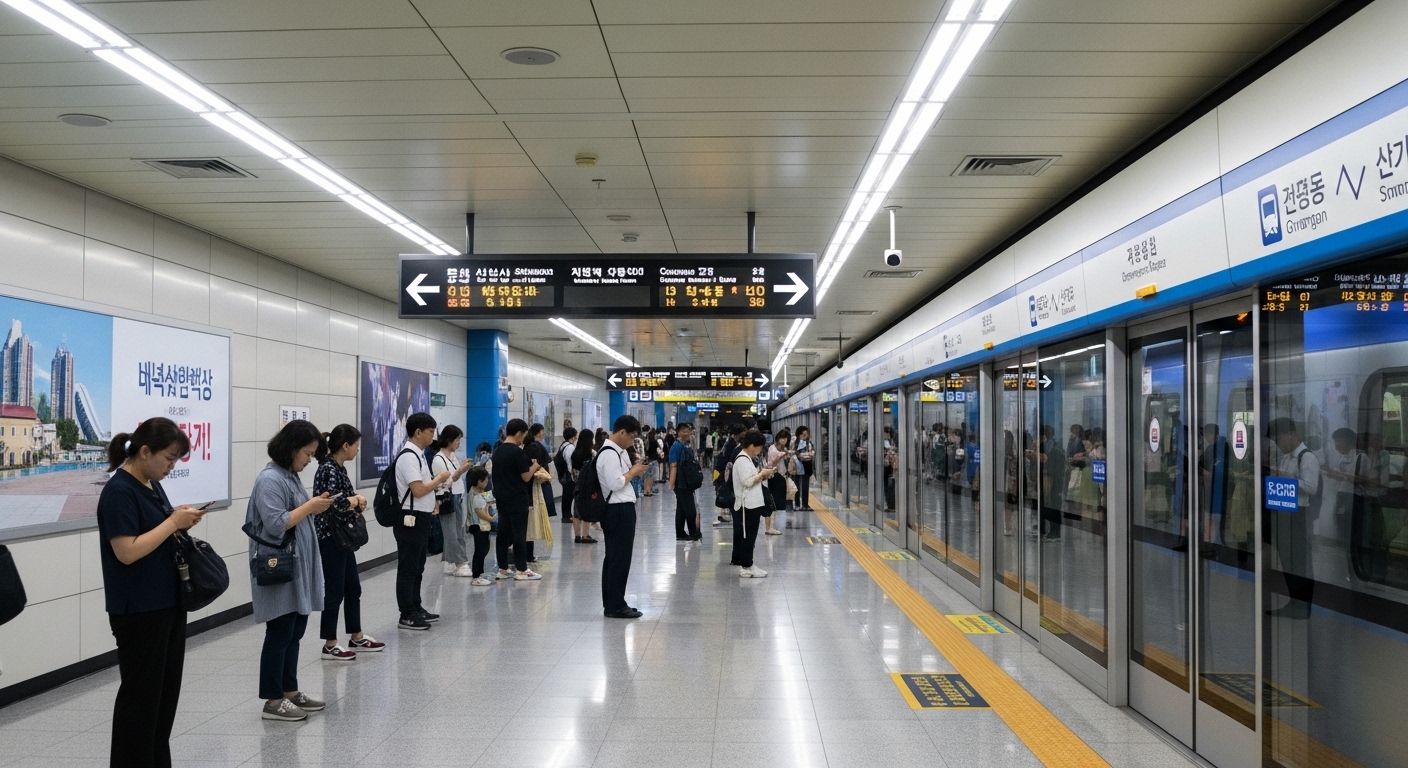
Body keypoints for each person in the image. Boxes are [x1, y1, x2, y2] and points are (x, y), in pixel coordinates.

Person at [97, 417, 199, 766]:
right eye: (168, 459)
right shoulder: (119, 491)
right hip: (139, 611)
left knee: (162, 704)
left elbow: (157, 530)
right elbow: (126, 551)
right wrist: (172, 522)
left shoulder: (151, 484)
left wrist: (179, 519)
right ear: (144, 451)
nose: (172, 467)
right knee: (140, 704)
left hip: (167, 603)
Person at [247, 419, 334, 721]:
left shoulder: (290, 476)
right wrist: (310, 507)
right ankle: (273, 700)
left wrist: (315, 505)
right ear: (291, 448)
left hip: (296, 567)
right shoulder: (270, 480)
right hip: (279, 569)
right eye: (307, 453)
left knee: (294, 631)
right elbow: (276, 523)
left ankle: (290, 691)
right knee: (280, 632)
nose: (309, 460)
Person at [312, 424, 383, 662]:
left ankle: (356, 635)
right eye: (356, 446)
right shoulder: (328, 468)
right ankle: (329, 643)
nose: (357, 450)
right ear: (345, 445)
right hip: (330, 537)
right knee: (334, 591)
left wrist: (357, 501)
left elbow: (348, 497)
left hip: (341, 537)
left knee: (353, 587)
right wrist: (354, 500)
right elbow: (332, 503)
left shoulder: (339, 468)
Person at [393, 412, 452, 631]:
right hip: (410, 518)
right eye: (430, 431)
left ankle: (416, 606)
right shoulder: (408, 456)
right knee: (408, 567)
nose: (433, 436)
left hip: (421, 516)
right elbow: (418, 489)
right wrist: (439, 479)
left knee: (418, 566)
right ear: (418, 432)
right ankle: (406, 613)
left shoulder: (419, 454)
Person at [1267, 417, 1321, 619]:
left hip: (1299, 516)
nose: (1279, 444)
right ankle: (1294, 601)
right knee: (1287, 560)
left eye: (1280, 439)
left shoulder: (1307, 457)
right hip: (1284, 512)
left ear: (1292, 434)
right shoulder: (1285, 458)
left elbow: (1311, 487)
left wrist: (1284, 477)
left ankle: (1303, 605)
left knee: (1300, 561)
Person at [597, 415, 649, 618]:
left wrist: (634, 470)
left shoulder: (618, 452)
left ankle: (613, 602)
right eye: (632, 436)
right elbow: (615, 483)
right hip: (617, 510)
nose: (632, 441)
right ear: (621, 432)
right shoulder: (610, 454)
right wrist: (633, 472)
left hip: (621, 509)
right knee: (618, 559)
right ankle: (615, 605)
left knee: (615, 558)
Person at [493, 419, 543, 581]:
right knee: (519, 534)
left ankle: (502, 568)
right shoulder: (517, 452)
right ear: (519, 433)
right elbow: (526, 476)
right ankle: (522, 569)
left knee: (503, 533)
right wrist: (534, 467)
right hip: (517, 498)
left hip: (502, 498)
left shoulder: (498, 450)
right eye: (524, 435)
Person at [732, 430, 777, 578]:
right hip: (747, 505)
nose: (760, 451)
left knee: (751, 535)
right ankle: (746, 567)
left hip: (752, 504)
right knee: (748, 536)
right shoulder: (742, 460)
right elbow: (748, 481)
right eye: (759, 447)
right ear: (752, 445)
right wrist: (762, 474)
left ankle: (749, 564)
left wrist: (764, 475)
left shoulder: (747, 459)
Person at [431, 425, 474, 577]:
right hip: (447, 498)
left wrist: (461, 468)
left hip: (457, 495)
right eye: (457, 440)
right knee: (451, 533)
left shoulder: (452, 456)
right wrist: (460, 471)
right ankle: (460, 562)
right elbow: (443, 483)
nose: (458, 443)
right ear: (449, 440)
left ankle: (452, 561)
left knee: (459, 531)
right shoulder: (438, 459)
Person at [525, 422, 556, 560]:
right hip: (535, 488)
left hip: (532, 487)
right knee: (531, 521)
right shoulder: (535, 447)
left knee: (529, 521)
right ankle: (528, 555)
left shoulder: (529, 447)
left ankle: (528, 554)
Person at [668, 423, 702, 541]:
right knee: (690, 509)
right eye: (685, 431)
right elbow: (673, 465)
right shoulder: (677, 446)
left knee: (681, 509)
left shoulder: (684, 445)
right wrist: (672, 484)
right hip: (681, 483)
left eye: (689, 431)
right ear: (679, 432)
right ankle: (693, 532)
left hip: (686, 482)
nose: (688, 433)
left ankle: (680, 533)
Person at [465, 466, 496, 585]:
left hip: (480, 526)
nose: (487, 483)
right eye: (485, 481)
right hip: (479, 526)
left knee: (484, 548)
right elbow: (480, 512)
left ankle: (480, 573)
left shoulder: (477, 492)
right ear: (478, 481)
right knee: (481, 550)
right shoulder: (476, 496)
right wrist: (491, 518)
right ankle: (476, 576)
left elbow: (490, 499)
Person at [713, 423, 746, 529]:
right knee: (727, 492)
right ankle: (728, 514)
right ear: (737, 435)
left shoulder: (730, 442)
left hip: (722, 471)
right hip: (724, 472)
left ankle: (728, 513)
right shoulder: (732, 445)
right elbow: (730, 462)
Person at [570, 431, 599, 543]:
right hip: (589, 486)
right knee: (587, 509)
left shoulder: (574, 454)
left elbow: (573, 471)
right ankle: (586, 535)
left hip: (577, 486)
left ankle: (577, 536)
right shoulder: (592, 454)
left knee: (576, 510)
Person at [764, 429, 793, 535]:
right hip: (774, 476)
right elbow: (772, 463)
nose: (784, 440)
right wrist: (782, 455)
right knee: (773, 501)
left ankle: (771, 526)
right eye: (782, 438)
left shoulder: (784, 449)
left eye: (786, 439)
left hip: (782, 476)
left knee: (777, 502)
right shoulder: (772, 448)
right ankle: (769, 527)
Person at [556, 427, 578, 530]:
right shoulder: (570, 447)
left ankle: (567, 515)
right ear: (572, 436)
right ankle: (567, 516)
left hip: (562, 474)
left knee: (567, 495)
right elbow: (570, 462)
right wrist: (572, 474)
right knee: (568, 496)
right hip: (567, 475)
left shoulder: (563, 445)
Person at [794, 426, 814, 512]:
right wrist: (801, 455)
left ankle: (805, 504)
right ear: (798, 435)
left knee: (805, 485)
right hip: (797, 465)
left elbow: (812, 451)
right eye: (802, 434)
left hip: (806, 466)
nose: (804, 436)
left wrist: (810, 454)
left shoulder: (809, 443)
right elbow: (794, 453)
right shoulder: (795, 443)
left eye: (806, 434)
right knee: (797, 486)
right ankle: (797, 504)